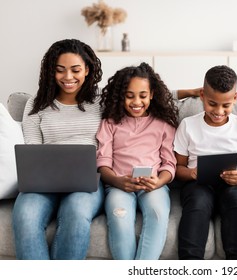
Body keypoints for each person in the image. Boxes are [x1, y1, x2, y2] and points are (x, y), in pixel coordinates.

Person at [12, 39, 104, 259]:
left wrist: (184, 91)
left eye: (75, 70)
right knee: (25, 215)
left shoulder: (103, 100)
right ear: (50, 71)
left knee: (76, 212)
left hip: (88, 180)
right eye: (60, 70)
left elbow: (141, 93)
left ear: (87, 70)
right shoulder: (37, 103)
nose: (68, 77)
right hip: (43, 181)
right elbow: (32, 148)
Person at [174, 65, 237, 260]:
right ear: (202, 95)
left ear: (235, 98)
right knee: (197, 203)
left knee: (235, 202)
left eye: (226, 105)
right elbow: (178, 169)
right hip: (197, 185)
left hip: (234, 186)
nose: (219, 111)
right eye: (212, 104)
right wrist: (191, 173)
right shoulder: (188, 125)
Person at [96, 63, 178, 260]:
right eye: (129, 95)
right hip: (119, 185)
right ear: (120, 95)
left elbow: (169, 163)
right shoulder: (109, 123)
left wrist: (159, 181)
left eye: (142, 95)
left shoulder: (163, 124)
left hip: (153, 185)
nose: (136, 102)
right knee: (119, 216)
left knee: (158, 215)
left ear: (151, 95)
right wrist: (117, 181)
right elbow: (103, 163)